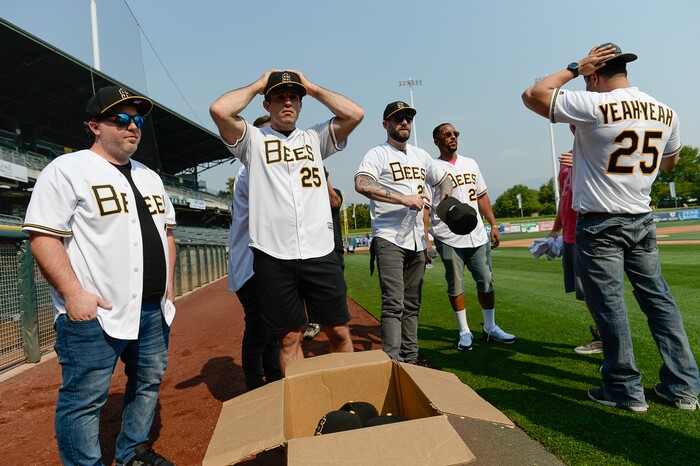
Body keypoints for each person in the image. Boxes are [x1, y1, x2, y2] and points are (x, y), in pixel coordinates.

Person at [523, 43, 700, 412]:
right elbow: (670, 163)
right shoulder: (665, 110)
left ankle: (624, 390)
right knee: (660, 303)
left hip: (601, 221)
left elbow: (533, 94)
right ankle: (683, 387)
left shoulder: (594, 105)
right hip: (641, 217)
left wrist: (575, 66)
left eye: (589, 78)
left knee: (610, 309)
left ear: (595, 74)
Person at [22, 86, 177, 465]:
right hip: (97, 313)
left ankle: (132, 452)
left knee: (147, 382)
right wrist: (74, 293)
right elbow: (43, 237)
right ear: (94, 125)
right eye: (120, 119)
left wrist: (169, 285)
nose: (132, 127)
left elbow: (168, 233)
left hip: (152, 308)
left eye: (137, 120)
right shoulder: (67, 169)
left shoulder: (150, 177)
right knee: (84, 399)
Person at [210, 70, 364, 374]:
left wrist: (311, 86)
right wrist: (257, 85)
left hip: (319, 250)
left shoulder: (314, 137)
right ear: (267, 105)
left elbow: (355, 114)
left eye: (293, 97)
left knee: (338, 331)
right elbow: (219, 110)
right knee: (289, 338)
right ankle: (302, 406)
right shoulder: (253, 140)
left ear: (301, 104)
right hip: (273, 255)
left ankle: (352, 398)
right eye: (279, 97)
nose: (288, 102)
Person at [354, 101, 453, 364]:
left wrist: (445, 199)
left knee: (412, 305)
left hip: (418, 240)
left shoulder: (421, 156)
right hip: (389, 237)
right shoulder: (377, 154)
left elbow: (445, 179)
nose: (404, 122)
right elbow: (361, 184)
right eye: (398, 118)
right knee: (393, 303)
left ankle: (411, 359)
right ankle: (392, 361)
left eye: (408, 118)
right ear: (386, 124)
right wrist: (403, 199)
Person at [426, 123, 515, 351]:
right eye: (447, 134)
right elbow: (427, 206)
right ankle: (464, 330)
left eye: (455, 134)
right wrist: (425, 237)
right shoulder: (431, 168)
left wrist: (493, 224)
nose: (452, 137)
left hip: (477, 234)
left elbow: (482, 196)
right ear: (436, 140)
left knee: (486, 281)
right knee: (455, 284)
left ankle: (490, 326)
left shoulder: (470, 163)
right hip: (448, 235)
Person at [228, 114, 283, 391]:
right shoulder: (250, 171)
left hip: (261, 262)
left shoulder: (259, 170)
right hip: (251, 265)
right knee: (260, 328)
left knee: (270, 329)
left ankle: (273, 380)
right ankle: (256, 386)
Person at [548, 128, 602, 355]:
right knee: (586, 293)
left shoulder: (598, 152)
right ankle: (604, 335)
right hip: (570, 233)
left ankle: (609, 342)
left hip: (589, 231)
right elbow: (565, 197)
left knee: (597, 291)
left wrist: (581, 162)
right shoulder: (566, 158)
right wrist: (554, 230)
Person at [303, 169, 345, 341]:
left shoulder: (334, 192)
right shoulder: (305, 196)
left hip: (333, 247)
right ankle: (314, 323)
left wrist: (325, 180)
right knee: (309, 288)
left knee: (337, 289)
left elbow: (335, 202)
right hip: (311, 247)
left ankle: (336, 322)